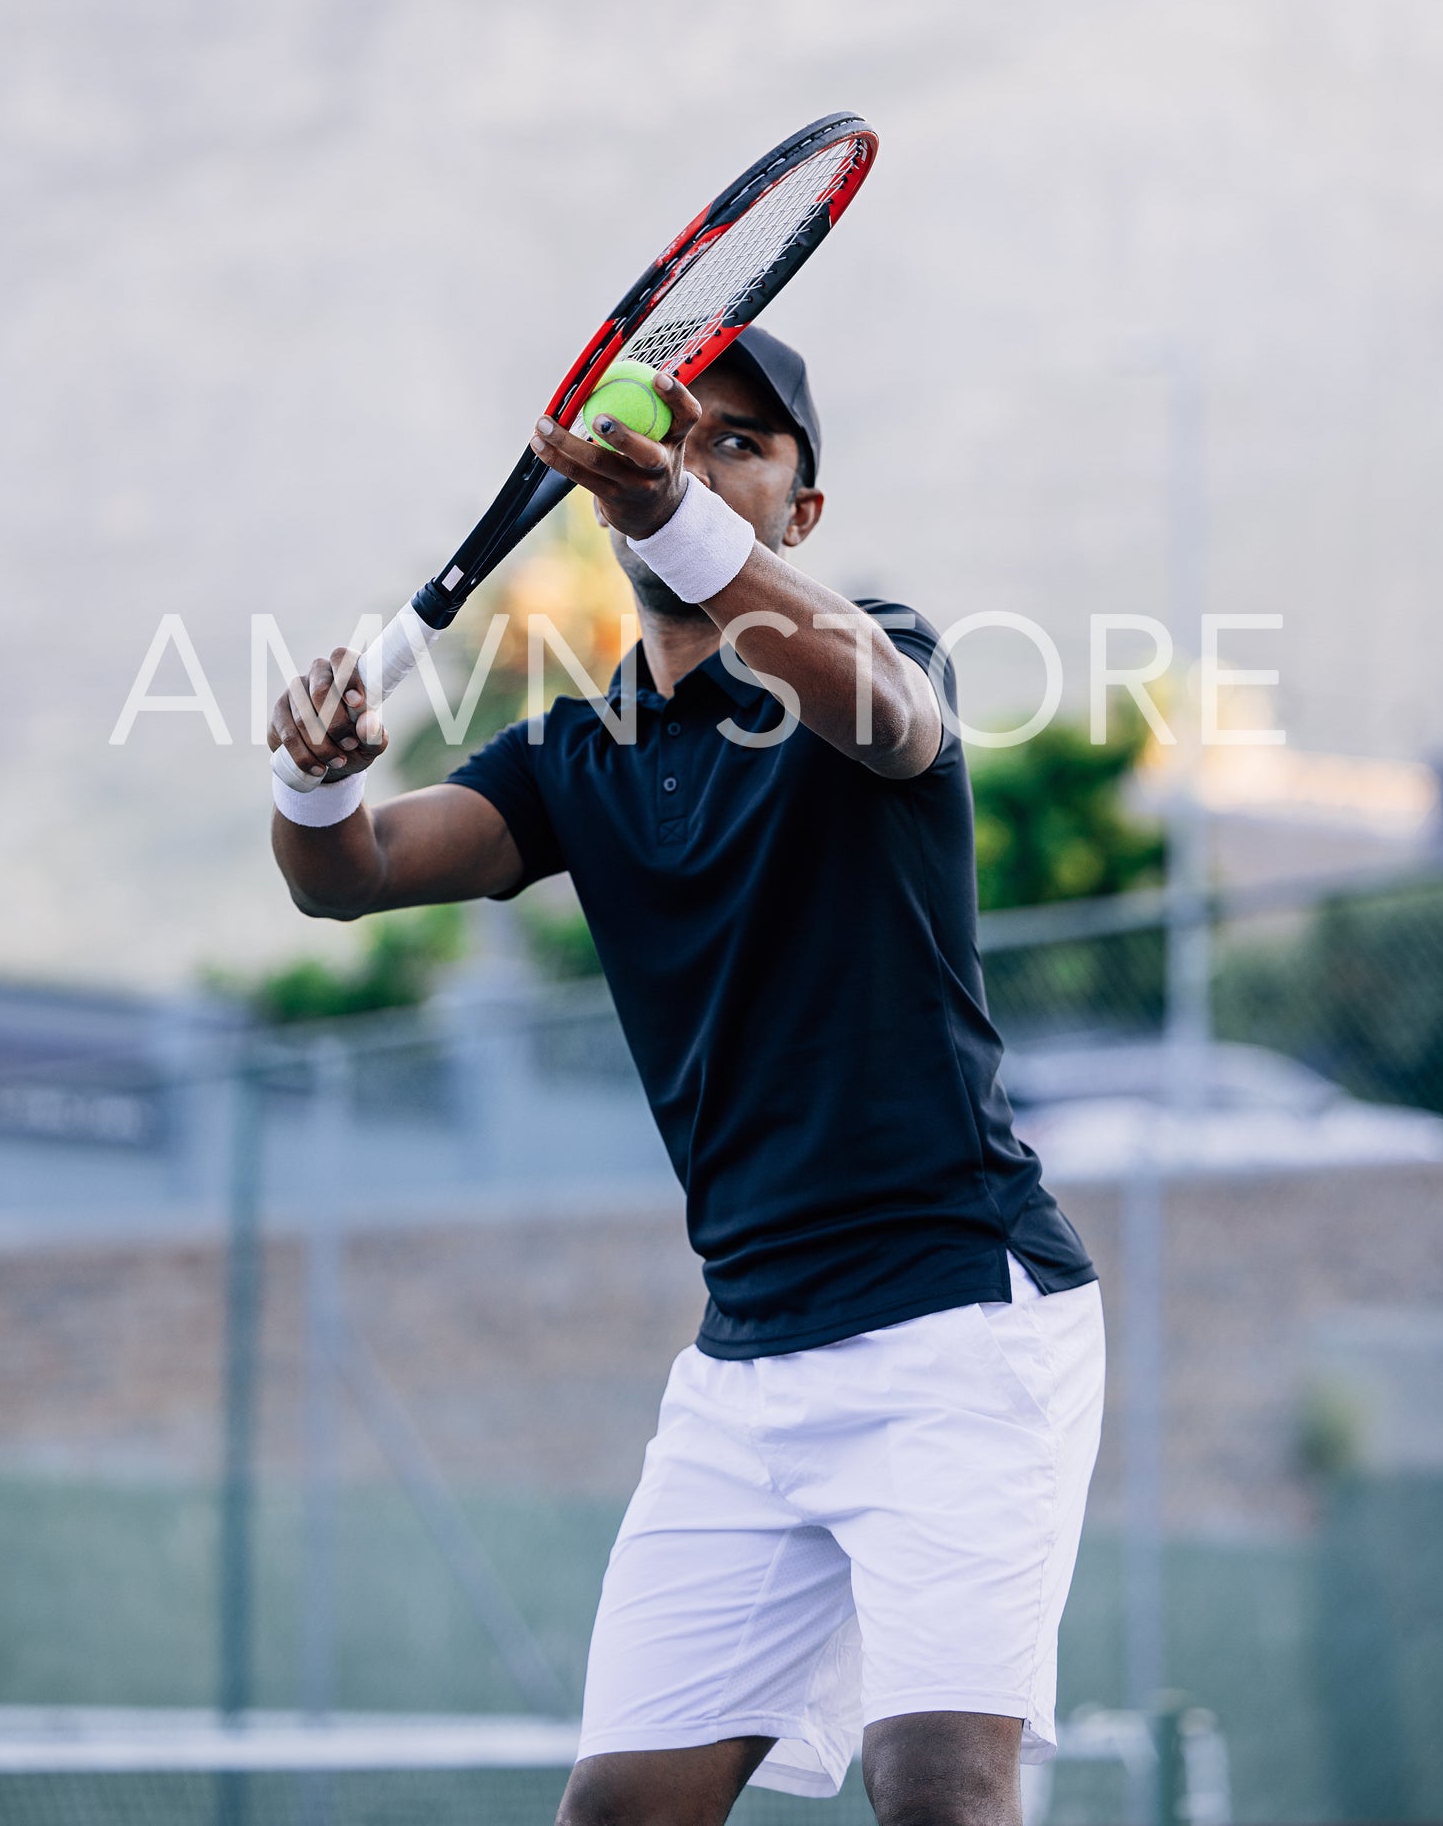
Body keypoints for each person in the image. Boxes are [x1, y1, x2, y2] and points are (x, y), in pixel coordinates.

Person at [269, 326, 1104, 1826]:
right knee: (619, 1812)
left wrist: (672, 511)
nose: (700, 454)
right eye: (681, 434)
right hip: (744, 1368)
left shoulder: (881, 652)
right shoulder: (573, 757)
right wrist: (309, 777)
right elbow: (349, 877)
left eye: (742, 444)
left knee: (938, 1795)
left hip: (959, 1330)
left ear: (799, 515)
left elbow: (880, 709)